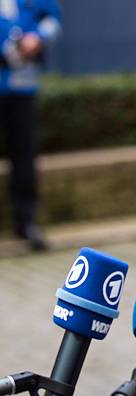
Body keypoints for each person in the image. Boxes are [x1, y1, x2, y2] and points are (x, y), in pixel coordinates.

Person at [0, 0, 62, 251]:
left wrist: (37, 37)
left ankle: (26, 222)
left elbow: (52, 18)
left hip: (22, 86)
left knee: (25, 155)